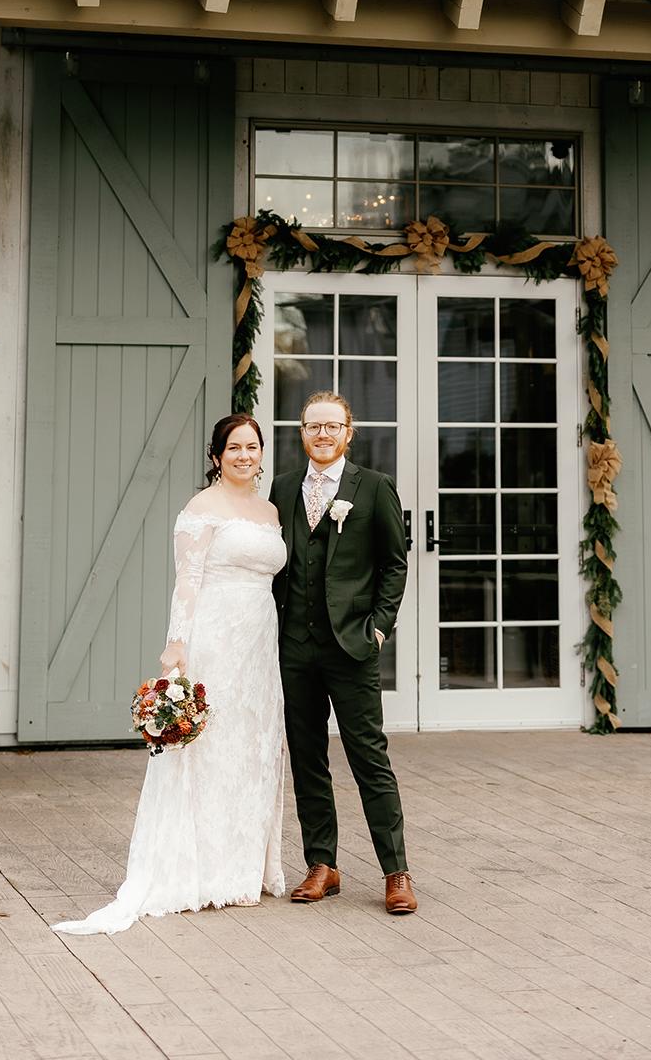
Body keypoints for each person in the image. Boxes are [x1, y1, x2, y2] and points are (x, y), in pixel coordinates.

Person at [53, 413, 287, 934]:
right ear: (216, 456)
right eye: (234, 448)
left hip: (259, 645)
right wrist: (177, 644)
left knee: (251, 748)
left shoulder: (271, 511)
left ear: (261, 454)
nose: (244, 456)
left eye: (252, 447)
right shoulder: (201, 508)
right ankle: (198, 872)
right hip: (215, 637)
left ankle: (242, 870)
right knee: (209, 748)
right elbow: (188, 580)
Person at [270, 389, 417, 915]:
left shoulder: (373, 487)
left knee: (369, 759)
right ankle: (322, 865)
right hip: (295, 648)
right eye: (314, 426)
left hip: (352, 646)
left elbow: (394, 563)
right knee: (308, 758)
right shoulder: (282, 488)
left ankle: (396, 872)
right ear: (302, 433)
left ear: (348, 433)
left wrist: (378, 627)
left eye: (333, 426)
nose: (323, 434)